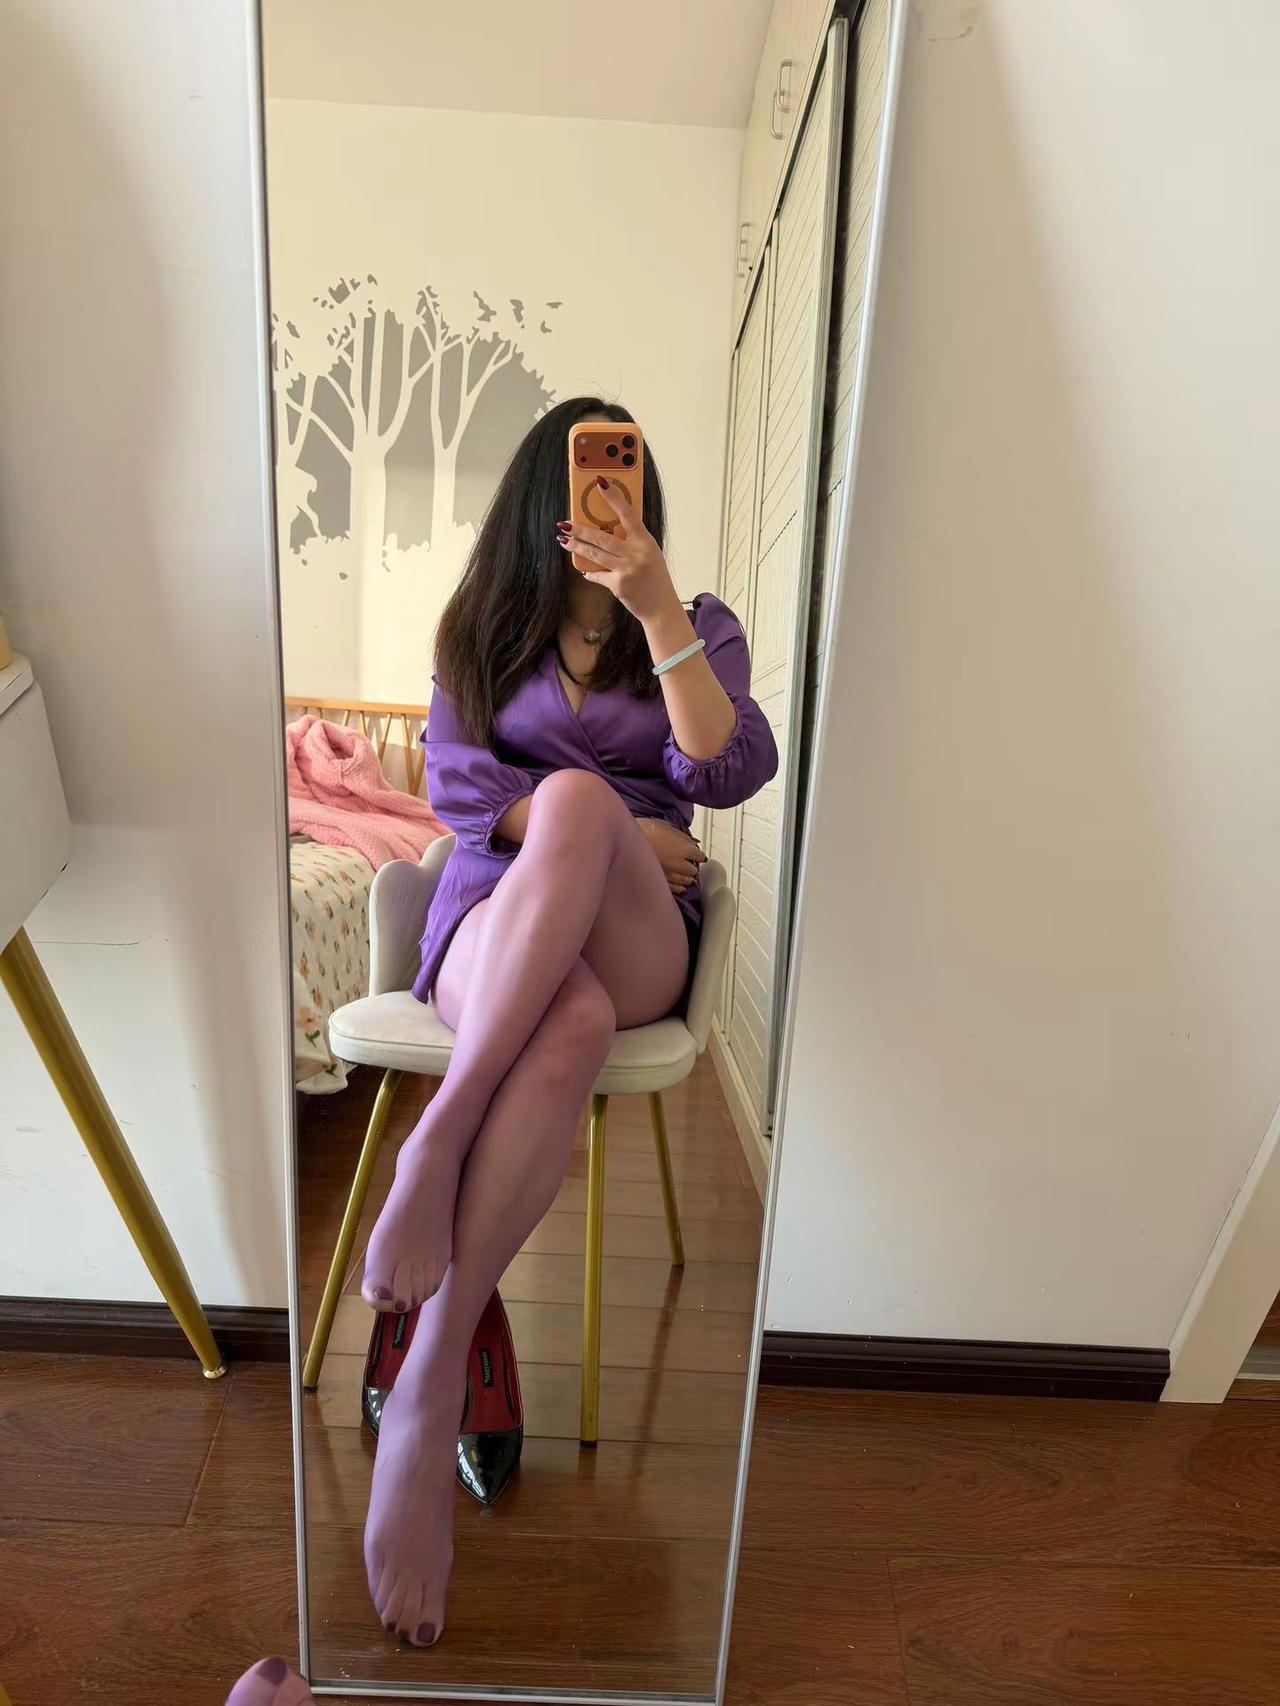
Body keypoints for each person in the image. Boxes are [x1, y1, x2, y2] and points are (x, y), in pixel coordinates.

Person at [359, 397, 778, 1644]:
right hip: (497, 914)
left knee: (585, 813)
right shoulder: (482, 627)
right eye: (591, 465)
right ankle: (434, 1371)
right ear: (548, 487)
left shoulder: (694, 624)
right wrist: (603, 821)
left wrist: (655, 613)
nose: (610, 484)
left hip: (639, 928)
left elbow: (726, 768)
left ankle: (438, 1134)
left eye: (626, 466)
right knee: (572, 1001)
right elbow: (454, 785)